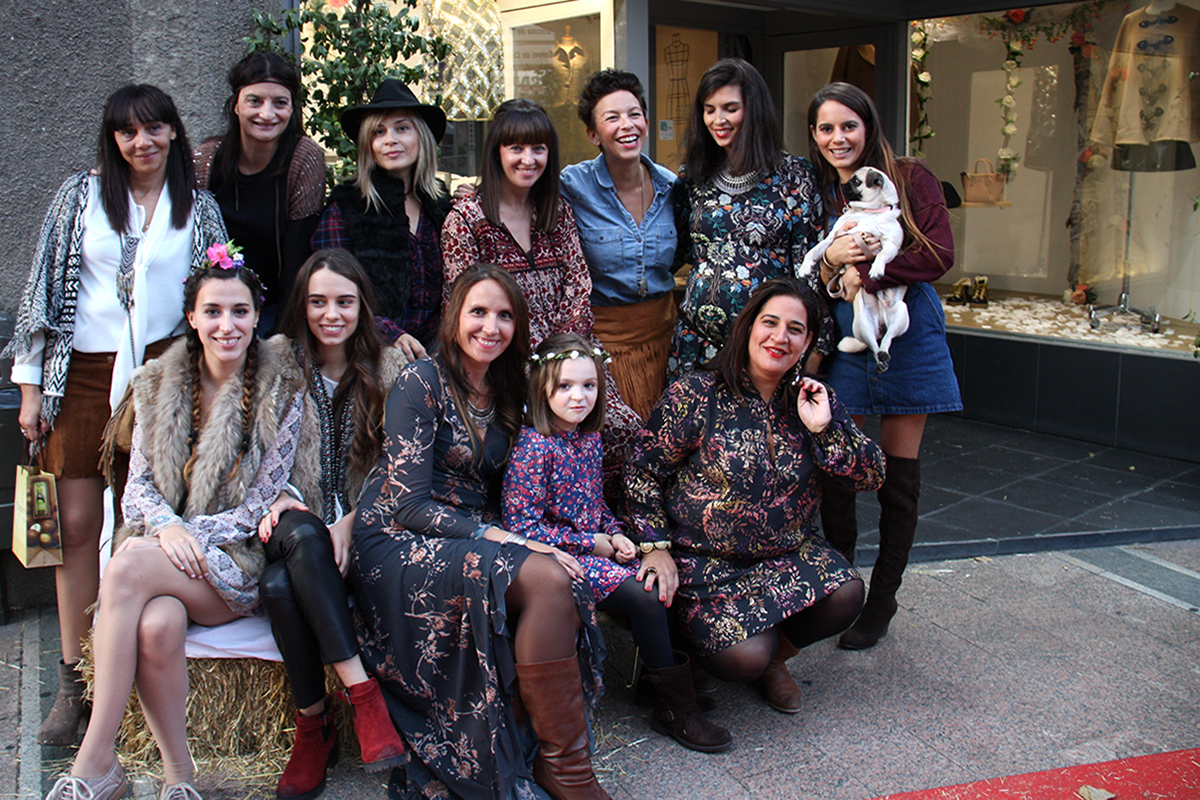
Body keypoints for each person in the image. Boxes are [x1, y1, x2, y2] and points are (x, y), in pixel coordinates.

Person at [5, 83, 227, 746]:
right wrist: (28, 390)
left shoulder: (198, 208)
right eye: (128, 131)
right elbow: (41, 290)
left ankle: (128, 670)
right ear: (113, 138)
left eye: (154, 128)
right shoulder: (79, 197)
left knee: (143, 526)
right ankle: (76, 678)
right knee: (75, 524)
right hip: (79, 372)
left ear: (173, 133)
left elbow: (221, 290)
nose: (142, 142)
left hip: (161, 377)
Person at [43, 254, 303, 800]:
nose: (226, 325)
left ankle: (95, 760)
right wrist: (168, 529)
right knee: (157, 624)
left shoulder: (282, 389)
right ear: (191, 317)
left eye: (239, 311)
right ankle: (179, 779)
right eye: (213, 311)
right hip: (165, 555)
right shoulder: (156, 383)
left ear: (257, 316)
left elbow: (262, 500)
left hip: (233, 561)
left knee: (126, 566)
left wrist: (191, 535)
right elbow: (137, 487)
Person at [350, 264, 612, 800]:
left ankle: (557, 758)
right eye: (478, 312)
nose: (490, 327)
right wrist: (511, 540)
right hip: (401, 538)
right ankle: (568, 771)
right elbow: (409, 504)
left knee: (560, 576)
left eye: (504, 315)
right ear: (454, 315)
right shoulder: (421, 381)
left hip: (475, 531)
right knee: (547, 576)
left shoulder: (511, 387)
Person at [624, 278, 886, 717]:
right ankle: (715, 654)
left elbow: (872, 475)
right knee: (744, 658)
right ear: (747, 327)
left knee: (846, 594)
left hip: (785, 553)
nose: (780, 337)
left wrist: (825, 430)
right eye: (770, 323)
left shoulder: (812, 399)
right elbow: (643, 469)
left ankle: (776, 661)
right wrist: (655, 546)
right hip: (706, 561)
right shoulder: (696, 394)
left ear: (808, 342)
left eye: (795, 329)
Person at [502, 333, 731, 754]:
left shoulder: (588, 438)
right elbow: (522, 526)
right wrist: (593, 543)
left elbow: (594, 505)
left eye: (589, 385)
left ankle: (655, 683)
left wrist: (618, 533)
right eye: (565, 386)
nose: (579, 397)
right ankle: (675, 709)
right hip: (557, 558)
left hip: (595, 546)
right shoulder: (534, 448)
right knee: (644, 595)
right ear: (542, 389)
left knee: (662, 576)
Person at [807, 82, 961, 650]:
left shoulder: (910, 176)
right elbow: (820, 277)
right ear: (814, 135)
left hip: (907, 331)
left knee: (900, 478)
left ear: (868, 126)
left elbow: (938, 254)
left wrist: (867, 275)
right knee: (838, 468)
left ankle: (883, 599)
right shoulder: (823, 191)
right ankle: (840, 587)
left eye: (848, 125)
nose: (838, 138)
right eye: (826, 128)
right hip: (849, 332)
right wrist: (832, 264)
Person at [257, 250, 409, 799]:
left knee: (279, 588)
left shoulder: (390, 370)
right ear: (301, 305)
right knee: (301, 532)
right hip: (286, 520)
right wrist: (278, 494)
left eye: (344, 302)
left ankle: (314, 728)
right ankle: (364, 699)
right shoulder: (275, 363)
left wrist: (352, 520)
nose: (331, 314)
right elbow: (252, 452)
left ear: (362, 306)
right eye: (318, 302)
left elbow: (402, 463)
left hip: (363, 528)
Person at [442, 98, 641, 494]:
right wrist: (533, 369)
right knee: (536, 452)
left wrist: (560, 361)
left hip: (571, 358)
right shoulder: (465, 221)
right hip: (504, 366)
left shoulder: (556, 212)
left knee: (623, 431)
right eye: (516, 148)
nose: (528, 159)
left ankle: (597, 519)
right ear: (496, 152)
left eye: (538, 148)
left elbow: (579, 286)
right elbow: (468, 311)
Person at [669, 58, 826, 378]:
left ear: (754, 110)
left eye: (730, 108)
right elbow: (676, 251)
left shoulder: (795, 176)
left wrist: (815, 348)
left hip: (768, 353)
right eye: (709, 110)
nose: (718, 120)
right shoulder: (693, 176)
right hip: (695, 349)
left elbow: (810, 271)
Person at [559, 70, 685, 419]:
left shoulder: (672, 187)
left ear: (646, 122)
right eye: (611, 118)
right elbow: (523, 194)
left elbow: (685, 250)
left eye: (634, 114)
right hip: (605, 345)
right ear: (593, 134)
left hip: (666, 341)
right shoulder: (572, 185)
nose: (626, 125)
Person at [312, 79, 452, 361]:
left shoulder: (440, 207)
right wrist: (390, 333)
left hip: (438, 354)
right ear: (369, 145)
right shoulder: (347, 208)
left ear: (421, 137)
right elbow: (332, 292)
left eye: (402, 128)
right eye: (379, 131)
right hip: (369, 354)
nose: (390, 139)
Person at [194, 51, 326, 328]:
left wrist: (284, 334)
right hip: (216, 306)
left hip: (275, 307)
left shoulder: (303, 158)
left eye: (280, 103)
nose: (267, 114)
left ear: (292, 108)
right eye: (255, 101)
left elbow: (298, 256)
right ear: (236, 105)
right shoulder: (207, 159)